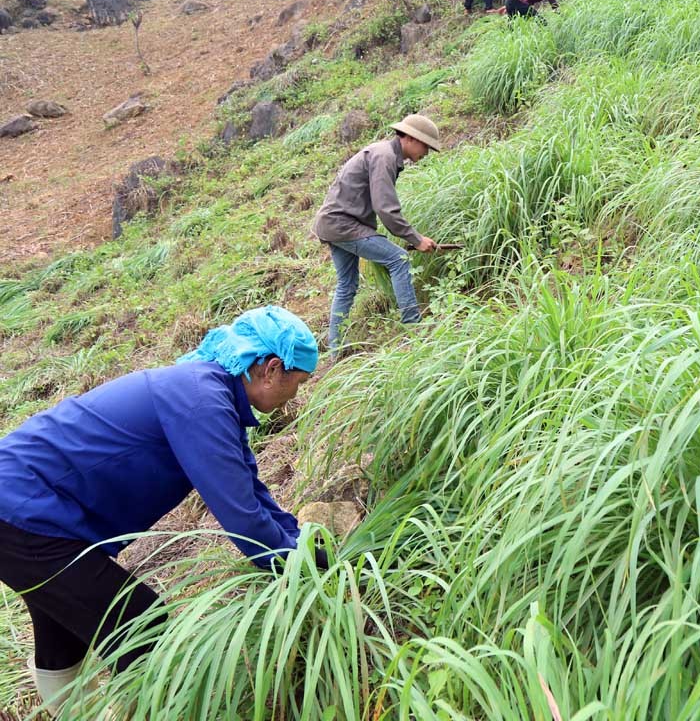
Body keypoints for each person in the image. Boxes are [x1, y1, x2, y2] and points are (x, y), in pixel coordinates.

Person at [0, 305, 320, 714]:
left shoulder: (211, 393)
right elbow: (241, 517)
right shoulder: (201, 402)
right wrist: (301, 569)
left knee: (63, 634)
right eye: (300, 382)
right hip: (22, 509)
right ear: (272, 369)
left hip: (28, 507)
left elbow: (250, 490)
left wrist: (298, 543)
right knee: (143, 624)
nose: (297, 393)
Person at [312, 113, 444, 354]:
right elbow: (386, 208)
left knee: (346, 285)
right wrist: (416, 239)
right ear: (412, 139)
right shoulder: (384, 156)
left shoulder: (383, 153)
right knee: (399, 259)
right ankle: (415, 330)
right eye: (426, 146)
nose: (425, 154)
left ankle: (335, 349)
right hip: (343, 224)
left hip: (333, 223)